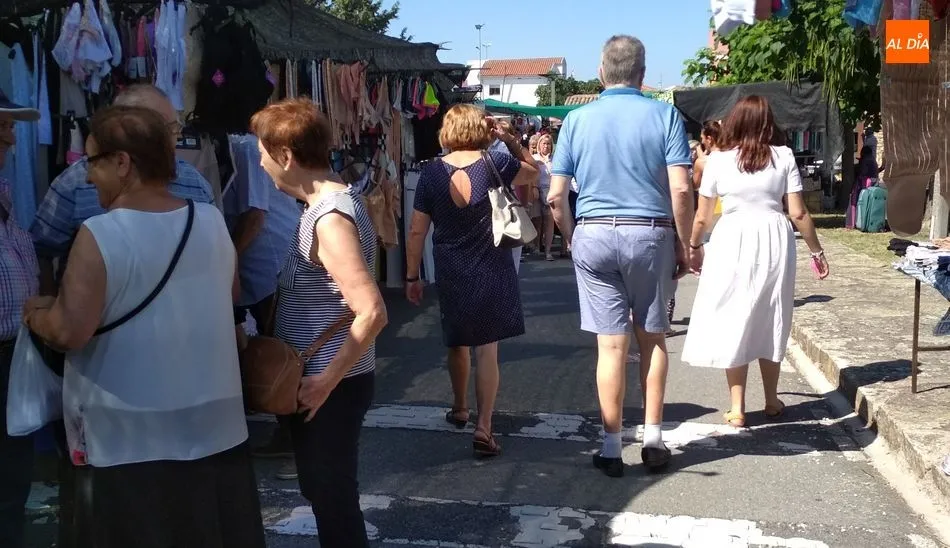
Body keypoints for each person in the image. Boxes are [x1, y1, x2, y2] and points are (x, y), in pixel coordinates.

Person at [23, 105, 265, 548]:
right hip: (215, 428)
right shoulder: (210, 220)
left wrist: (36, 313)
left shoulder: (99, 234)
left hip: (127, 440)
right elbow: (225, 297)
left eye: (91, 163)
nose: (86, 176)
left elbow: (70, 330)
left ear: (122, 162)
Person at [548, 35, 694, 477]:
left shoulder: (576, 119)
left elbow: (556, 197)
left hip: (593, 232)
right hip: (649, 234)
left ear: (600, 73)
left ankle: (611, 447)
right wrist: (685, 245)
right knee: (651, 340)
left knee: (610, 347)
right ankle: (652, 438)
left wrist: (573, 237)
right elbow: (682, 188)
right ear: (642, 75)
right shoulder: (665, 115)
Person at [251, 98, 387, 547]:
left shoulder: (329, 218)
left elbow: (371, 311)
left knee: (332, 498)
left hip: (329, 385)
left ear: (286, 155)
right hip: (327, 383)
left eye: (264, 155)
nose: (262, 165)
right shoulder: (330, 204)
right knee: (326, 492)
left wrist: (325, 381)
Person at [681, 95, 830, 427]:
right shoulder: (784, 156)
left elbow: (703, 217)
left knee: (734, 315)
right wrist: (816, 251)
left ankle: (737, 406)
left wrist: (693, 246)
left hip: (731, 238)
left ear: (734, 122)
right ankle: (772, 399)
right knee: (771, 313)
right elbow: (798, 212)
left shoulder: (717, 161)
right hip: (774, 238)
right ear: (768, 122)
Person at [406, 104, 538, 458]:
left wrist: (411, 275)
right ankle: (484, 426)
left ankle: (460, 407)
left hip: (451, 266)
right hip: (492, 264)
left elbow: (417, 230)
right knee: (487, 349)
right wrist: (508, 138)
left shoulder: (432, 173)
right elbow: (534, 173)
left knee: (457, 341)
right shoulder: (495, 164)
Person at [30, 84, 215, 295]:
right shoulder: (74, 182)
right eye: (155, 130)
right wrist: (51, 302)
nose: (167, 140)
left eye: (172, 129)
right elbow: (40, 249)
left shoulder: (195, 184)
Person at [0, 88, 40, 548]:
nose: (11, 140)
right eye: (3, 126)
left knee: (11, 491)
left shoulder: (5, 198)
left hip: (14, 362)